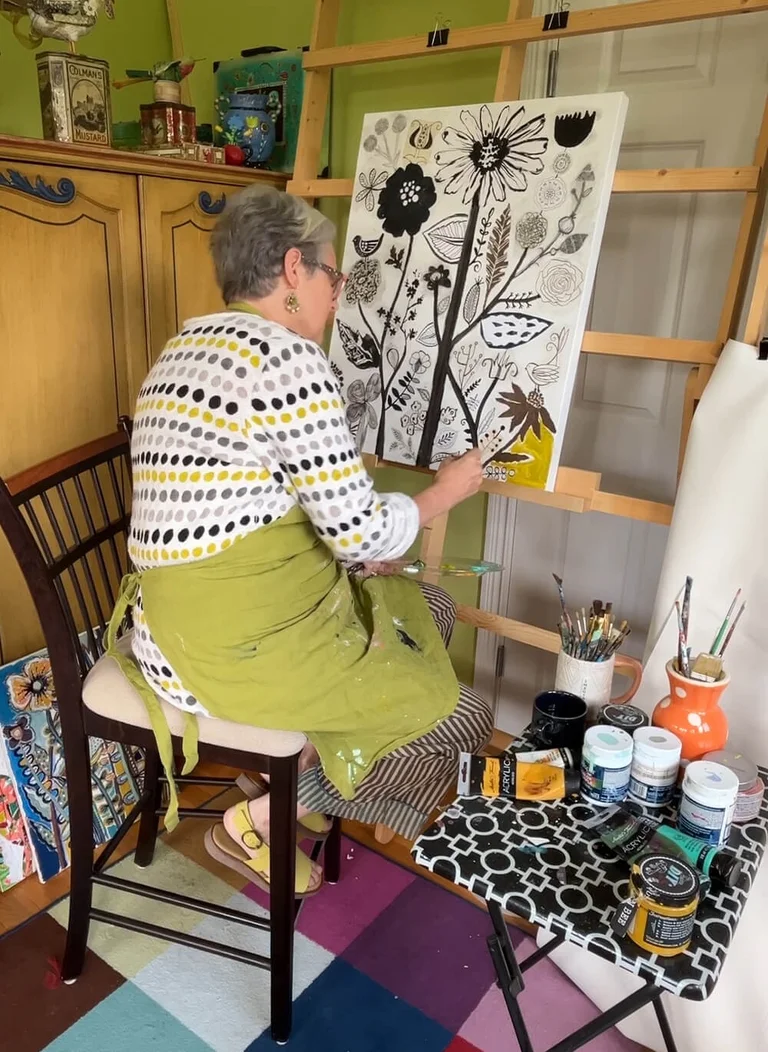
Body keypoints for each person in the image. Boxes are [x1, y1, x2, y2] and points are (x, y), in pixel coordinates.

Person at [116, 184, 493, 896]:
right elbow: (358, 532)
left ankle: (288, 780)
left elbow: (265, 505)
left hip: (171, 632)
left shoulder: (184, 344)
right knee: (461, 718)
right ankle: (258, 818)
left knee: (429, 612)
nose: (335, 294)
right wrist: (445, 490)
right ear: (295, 267)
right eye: (333, 276)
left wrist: (361, 538)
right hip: (232, 649)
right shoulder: (287, 359)